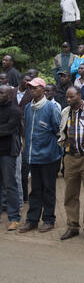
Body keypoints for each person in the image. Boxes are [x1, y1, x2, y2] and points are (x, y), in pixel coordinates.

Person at [18, 78, 63, 234]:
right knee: (35, 190)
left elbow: (59, 131)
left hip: (49, 157)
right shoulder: (28, 108)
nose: (31, 90)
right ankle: (32, 220)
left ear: (43, 90)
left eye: (35, 88)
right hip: (32, 156)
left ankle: (49, 219)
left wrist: (55, 150)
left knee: (48, 189)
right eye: (30, 88)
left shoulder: (51, 108)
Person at [57, 86, 84, 241]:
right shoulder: (65, 112)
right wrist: (63, 141)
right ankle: (72, 226)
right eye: (67, 97)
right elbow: (62, 131)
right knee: (70, 194)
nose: (68, 100)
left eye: (71, 97)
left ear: (79, 96)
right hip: (70, 158)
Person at [0, 85, 22, 231]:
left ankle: (14, 217)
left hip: (8, 153)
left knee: (10, 185)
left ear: (8, 95)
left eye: (1, 92)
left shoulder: (15, 111)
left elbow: (8, 130)